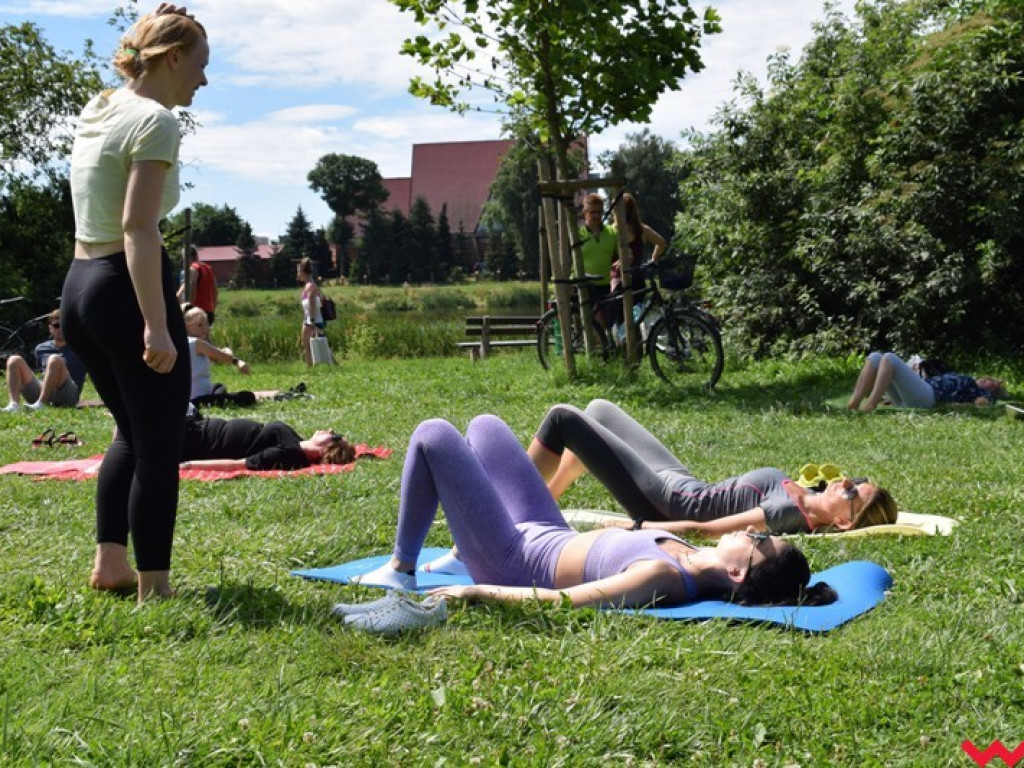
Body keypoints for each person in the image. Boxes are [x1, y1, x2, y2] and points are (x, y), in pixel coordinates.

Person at [342, 415, 837, 616]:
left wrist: (478, 590)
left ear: (736, 572)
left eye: (758, 542)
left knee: (434, 436)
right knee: (487, 427)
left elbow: (561, 601)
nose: (753, 530)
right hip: (547, 529)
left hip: (511, 557)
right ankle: (453, 557)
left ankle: (401, 569)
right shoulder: (694, 554)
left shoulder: (662, 577)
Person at [60, 3, 208, 602]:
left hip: (79, 285)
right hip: (123, 286)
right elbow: (139, 228)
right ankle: (155, 590)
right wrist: (157, 325)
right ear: (172, 58)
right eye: (199, 64)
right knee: (161, 439)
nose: (203, 79)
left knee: (131, 430)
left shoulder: (101, 108)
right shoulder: (157, 122)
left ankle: (112, 565)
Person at [526, 399, 898, 537]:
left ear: (845, 522)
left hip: (667, 501)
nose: (846, 482)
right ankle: (545, 505)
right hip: (681, 481)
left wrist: (636, 526)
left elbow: (703, 531)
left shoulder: (787, 514)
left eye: (853, 491)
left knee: (563, 419)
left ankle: (515, 507)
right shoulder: (808, 494)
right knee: (599, 410)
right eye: (857, 480)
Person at [179, 408, 354, 470]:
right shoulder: (296, 441)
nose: (330, 430)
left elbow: (238, 464)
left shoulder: (289, 454)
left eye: (335, 436)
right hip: (197, 425)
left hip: (194, 439)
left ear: (326, 451)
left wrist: (189, 465)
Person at [846, 351, 1007, 413]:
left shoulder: (981, 392)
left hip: (928, 397)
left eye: (991, 382)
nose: (987, 379)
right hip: (919, 391)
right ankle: (854, 403)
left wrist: (985, 398)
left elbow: (982, 403)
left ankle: (870, 404)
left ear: (992, 390)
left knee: (889, 358)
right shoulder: (967, 379)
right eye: (988, 377)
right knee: (875, 357)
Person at [607, 192, 667, 339]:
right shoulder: (642, 230)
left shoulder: (612, 231)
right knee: (635, 318)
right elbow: (662, 243)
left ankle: (623, 348)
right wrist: (653, 260)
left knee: (622, 320)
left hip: (619, 280)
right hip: (638, 279)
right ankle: (632, 349)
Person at [3, 310, 87, 412]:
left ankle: (41, 403)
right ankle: (14, 404)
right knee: (14, 359)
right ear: (50, 329)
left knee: (54, 359)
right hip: (43, 389)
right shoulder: (41, 349)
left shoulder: (80, 347)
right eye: (56, 325)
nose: (60, 328)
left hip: (68, 393)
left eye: (64, 325)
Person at [183, 306, 255, 407]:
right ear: (187, 327)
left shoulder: (186, 343)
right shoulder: (196, 343)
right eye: (199, 325)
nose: (205, 329)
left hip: (192, 397)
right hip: (198, 399)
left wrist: (225, 351)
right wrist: (237, 361)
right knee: (247, 396)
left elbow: (217, 355)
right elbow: (224, 357)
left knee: (218, 386)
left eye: (206, 324)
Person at [576, 193, 619, 330]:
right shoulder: (578, 235)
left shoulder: (612, 233)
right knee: (597, 320)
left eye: (599, 212)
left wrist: (623, 259)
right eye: (591, 212)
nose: (595, 216)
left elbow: (622, 254)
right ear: (584, 213)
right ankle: (599, 350)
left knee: (608, 320)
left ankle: (601, 348)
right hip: (584, 285)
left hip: (605, 284)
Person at [175, 246, 218, 324]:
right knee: (206, 335)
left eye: (183, 258)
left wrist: (187, 309)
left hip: (196, 311)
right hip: (209, 311)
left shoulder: (193, 269)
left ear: (187, 256)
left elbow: (192, 290)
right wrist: (213, 309)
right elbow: (215, 291)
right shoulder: (208, 268)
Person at [298, 257, 326, 367]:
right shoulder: (309, 285)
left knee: (307, 343)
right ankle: (332, 364)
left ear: (304, 272)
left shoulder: (310, 286)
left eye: (299, 272)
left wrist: (312, 321)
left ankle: (309, 366)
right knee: (317, 342)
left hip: (312, 320)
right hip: (310, 319)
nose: (298, 274)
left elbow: (312, 304)